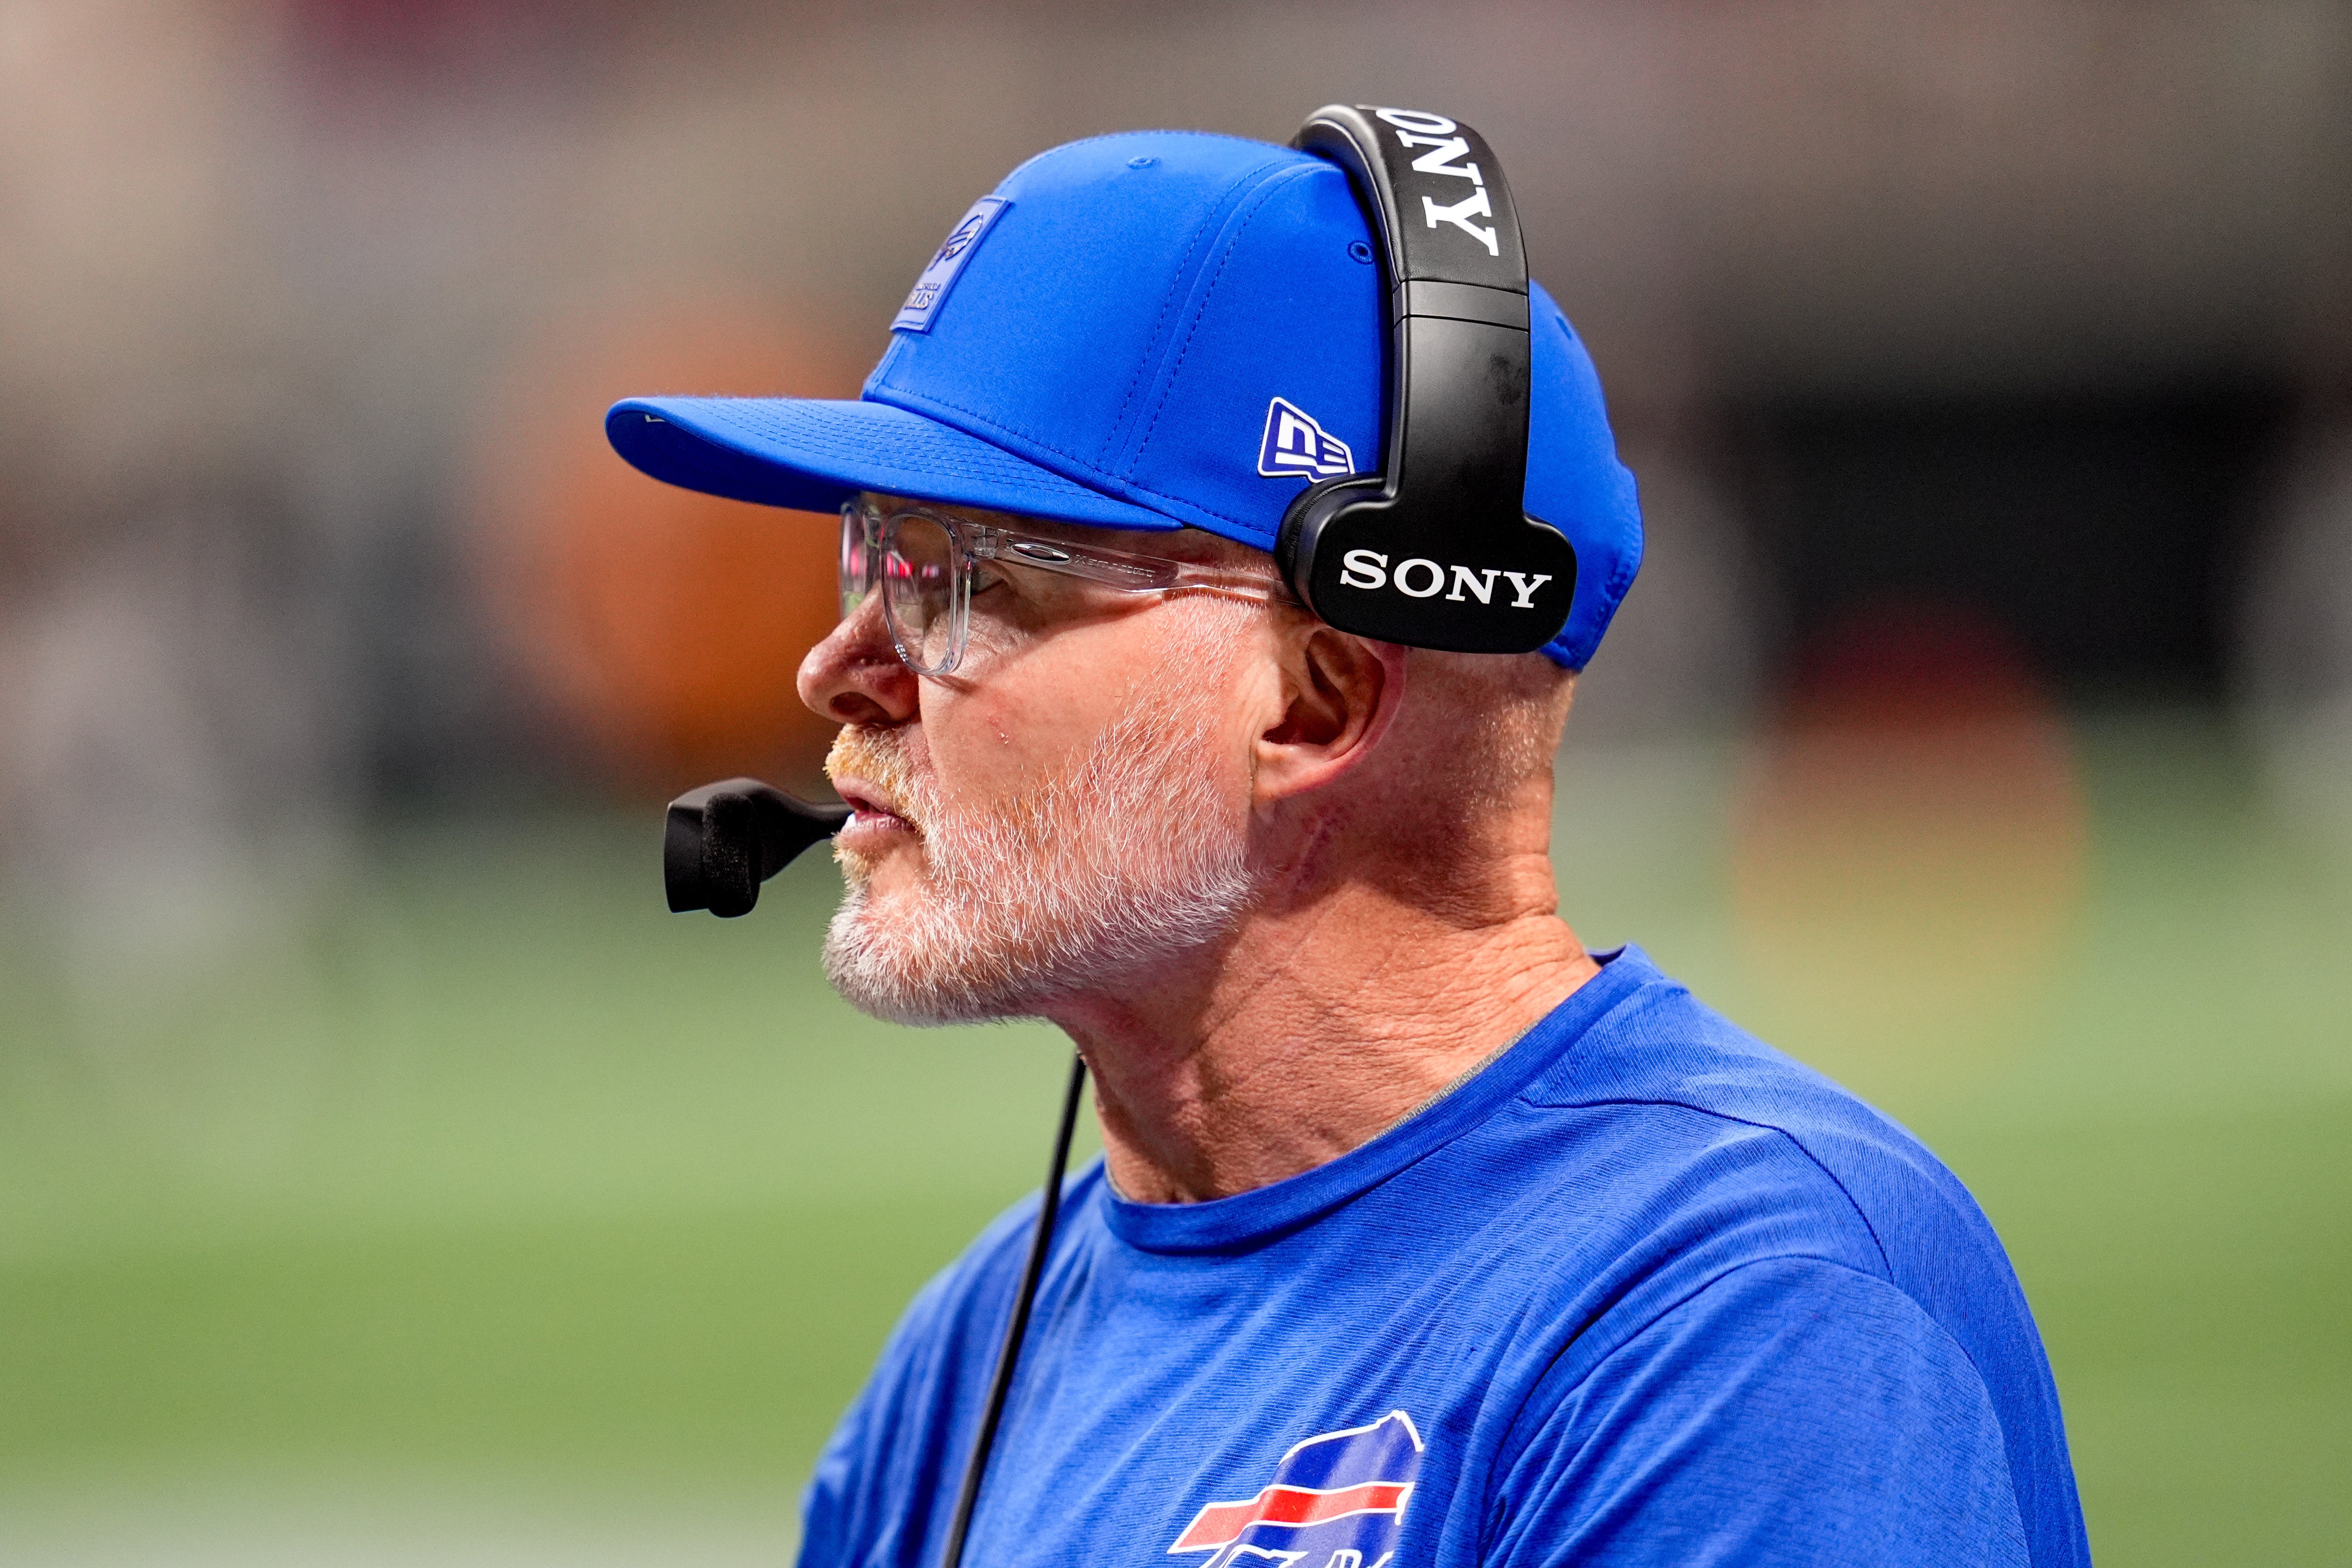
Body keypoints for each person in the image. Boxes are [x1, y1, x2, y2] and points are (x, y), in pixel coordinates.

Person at [608, 124, 2089, 1568]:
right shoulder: (969, 1358)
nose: (835, 667)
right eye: (870, 553)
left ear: (1316, 702)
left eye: (959, 579)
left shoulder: (1754, 1316)